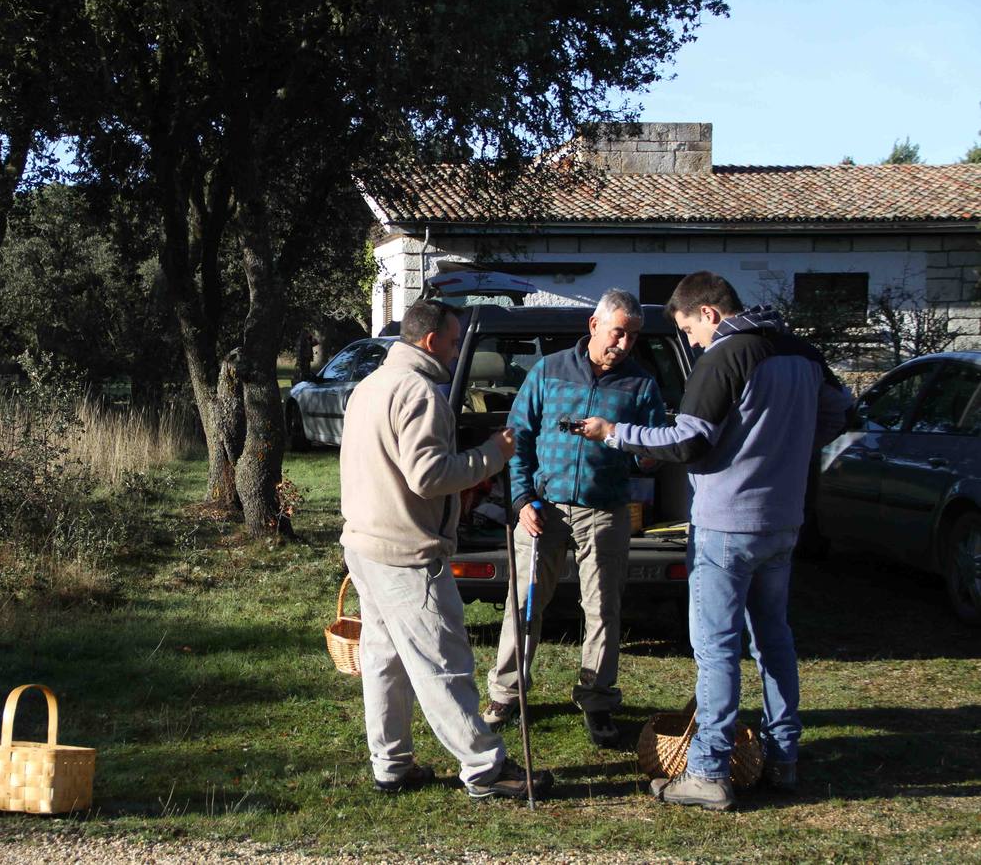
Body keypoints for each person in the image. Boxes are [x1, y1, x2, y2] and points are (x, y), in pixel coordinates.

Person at [579, 271, 851, 812]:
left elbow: (688, 440)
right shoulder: (802, 353)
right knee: (774, 640)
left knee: (717, 649)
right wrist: (784, 447)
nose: (692, 343)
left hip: (727, 525)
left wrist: (615, 433)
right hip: (783, 522)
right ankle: (783, 757)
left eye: (688, 330)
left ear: (709, 313)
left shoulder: (727, 354)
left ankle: (707, 771)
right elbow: (841, 413)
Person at [339, 299, 552, 801]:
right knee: (442, 665)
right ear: (431, 341)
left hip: (365, 545)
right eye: (455, 344)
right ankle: (485, 768)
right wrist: (493, 455)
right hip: (407, 553)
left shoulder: (371, 385)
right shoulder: (419, 392)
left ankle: (391, 765)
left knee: (385, 662)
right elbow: (429, 476)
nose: (457, 354)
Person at [481, 289, 667, 749]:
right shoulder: (548, 371)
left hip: (605, 511)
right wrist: (522, 499)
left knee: (603, 609)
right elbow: (518, 438)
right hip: (542, 510)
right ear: (594, 326)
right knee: (524, 605)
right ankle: (506, 694)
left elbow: (653, 448)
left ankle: (597, 700)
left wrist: (644, 452)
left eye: (632, 336)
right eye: (617, 333)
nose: (623, 344)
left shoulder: (641, 385)